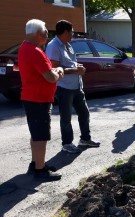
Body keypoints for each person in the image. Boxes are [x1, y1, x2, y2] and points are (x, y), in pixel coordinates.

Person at [45, 20, 100, 154]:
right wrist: (75, 70)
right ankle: (67, 143)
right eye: (72, 33)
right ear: (65, 32)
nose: (73, 35)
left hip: (76, 86)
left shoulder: (68, 45)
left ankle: (85, 139)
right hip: (64, 87)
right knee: (66, 117)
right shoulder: (53, 46)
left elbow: (71, 63)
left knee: (84, 112)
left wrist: (78, 67)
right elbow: (54, 68)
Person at [19, 19, 64, 181]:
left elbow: (41, 71)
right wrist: (59, 71)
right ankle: (40, 170)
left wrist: (52, 70)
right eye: (46, 31)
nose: (47, 34)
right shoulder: (35, 51)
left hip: (32, 97)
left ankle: (36, 163)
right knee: (41, 136)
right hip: (38, 99)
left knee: (36, 133)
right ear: (39, 34)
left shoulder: (25, 48)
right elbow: (51, 77)